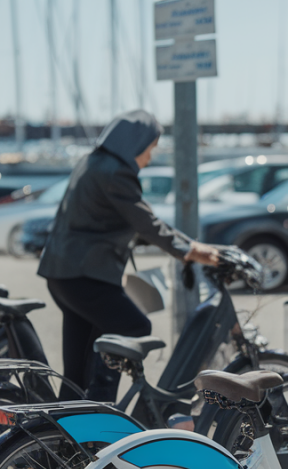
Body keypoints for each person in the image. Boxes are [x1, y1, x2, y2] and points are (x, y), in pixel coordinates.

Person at [38, 109, 219, 401]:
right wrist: (191, 250)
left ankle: (67, 424)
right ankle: (102, 406)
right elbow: (146, 223)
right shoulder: (115, 173)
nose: (149, 158)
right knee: (133, 326)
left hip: (62, 273)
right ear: (135, 143)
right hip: (85, 275)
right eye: (150, 149)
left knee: (78, 367)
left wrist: (182, 246)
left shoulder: (92, 162)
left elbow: (111, 219)